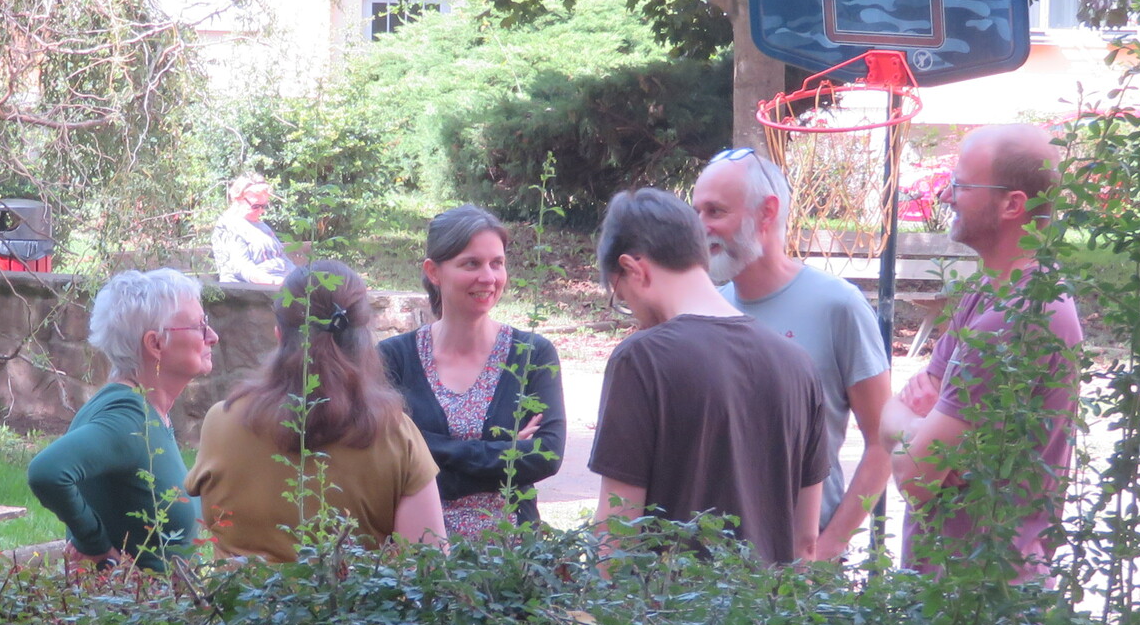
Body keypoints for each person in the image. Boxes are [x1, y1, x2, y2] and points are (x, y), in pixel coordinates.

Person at [587, 188, 829, 566]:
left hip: (666, 603)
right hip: (770, 602)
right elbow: (806, 543)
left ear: (634, 269)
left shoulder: (641, 360)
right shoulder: (799, 365)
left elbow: (617, 531)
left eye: (621, 297)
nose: (631, 312)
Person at [888, 124, 1083, 580]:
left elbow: (913, 478)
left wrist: (920, 435)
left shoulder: (1019, 317)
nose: (945, 196)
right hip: (953, 590)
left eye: (960, 185)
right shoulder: (989, 292)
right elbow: (890, 413)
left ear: (1013, 204)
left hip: (985, 598)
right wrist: (921, 431)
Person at [691, 149, 893, 562]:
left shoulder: (838, 306)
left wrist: (827, 547)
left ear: (767, 213)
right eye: (695, 213)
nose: (700, 227)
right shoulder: (704, 308)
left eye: (715, 211)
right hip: (711, 565)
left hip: (802, 563)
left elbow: (884, 442)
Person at [187, 261, 445, 559]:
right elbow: (427, 565)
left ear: (279, 334)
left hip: (240, 592)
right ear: (363, 337)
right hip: (349, 591)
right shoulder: (395, 435)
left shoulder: (221, 423)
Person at [378, 205, 566, 537]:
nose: (488, 277)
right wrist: (506, 453)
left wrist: (428, 449)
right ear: (434, 272)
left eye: (497, 263)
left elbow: (546, 455)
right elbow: (385, 457)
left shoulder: (533, 354)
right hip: (420, 554)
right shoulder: (394, 359)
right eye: (471, 264)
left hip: (513, 557)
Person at [27, 269, 213, 572]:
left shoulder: (146, 410)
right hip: (137, 602)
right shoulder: (128, 417)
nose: (212, 337)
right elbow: (47, 471)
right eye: (199, 326)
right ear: (156, 344)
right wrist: (98, 549)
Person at [211, 174, 289, 286]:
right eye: (256, 206)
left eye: (264, 206)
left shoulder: (261, 226)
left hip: (279, 285)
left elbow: (283, 258)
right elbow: (243, 268)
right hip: (250, 290)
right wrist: (274, 282)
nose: (261, 211)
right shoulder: (228, 226)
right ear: (238, 199)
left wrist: (298, 277)